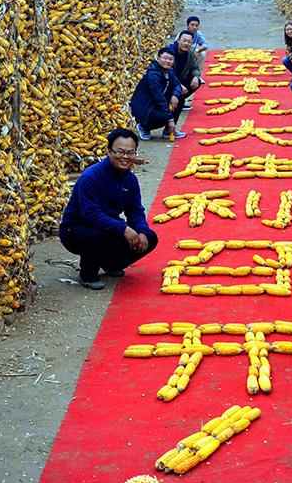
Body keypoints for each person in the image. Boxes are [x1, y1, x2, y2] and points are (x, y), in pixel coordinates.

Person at [59, 128, 159, 290]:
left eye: (130, 153)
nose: (125, 157)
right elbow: (90, 214)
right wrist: (123, 229)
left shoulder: (130, 180)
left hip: (109, 226)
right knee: (98, 234)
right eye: (119, 152)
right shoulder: (91, 177)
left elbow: (135, 210)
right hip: (77, 229)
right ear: (108, 151)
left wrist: (142, 231)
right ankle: (88, 274)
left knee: (150, 238)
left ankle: (110, 264)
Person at [130, 46, 186, 141]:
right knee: (164, 116)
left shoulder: (169, 71)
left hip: (156, 104)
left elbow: (177, 84)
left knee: (180, 100)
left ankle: (168, 131)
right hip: (145, 107)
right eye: (165, 58)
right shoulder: (153, 74)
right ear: (158, 58)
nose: (167, 61)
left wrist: (175, 95)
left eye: (170, 59)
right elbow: (159, 98)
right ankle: (144, 126)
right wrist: (170, 119)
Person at [169, 30, 204, 111]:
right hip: (169, 81)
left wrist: (195, 76)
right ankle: (170, 100)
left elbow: (195, 67)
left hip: (181, 79)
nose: (186, 43)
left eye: (189, 42)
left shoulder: (189, 53)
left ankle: (180, 100)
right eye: (184, 41)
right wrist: (179, 85)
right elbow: (168, 72)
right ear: (178, 40)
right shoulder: (169, 52)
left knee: (197, 81)